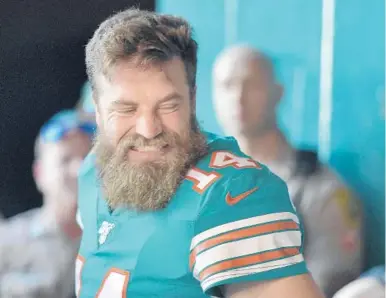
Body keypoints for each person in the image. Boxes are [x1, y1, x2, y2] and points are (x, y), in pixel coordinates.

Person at [75, 8, 325, 298]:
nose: (148, 129)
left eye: (168, 106)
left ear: (192, 99)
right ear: (97, 107)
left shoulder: (233, 193)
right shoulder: (95, 168)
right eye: (126, 109)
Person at [212, 45, 363, 297]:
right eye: (227, 85)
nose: (238, 97)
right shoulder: (201, 179)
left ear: (277, 93)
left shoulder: (320, 189)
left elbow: (325, 284)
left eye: (252, 85)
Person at [0, 110, 94, 298]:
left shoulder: (114, 243)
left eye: (87, 159)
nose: (78, 170)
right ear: (39, 174)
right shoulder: (7, 243)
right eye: (65, 160)